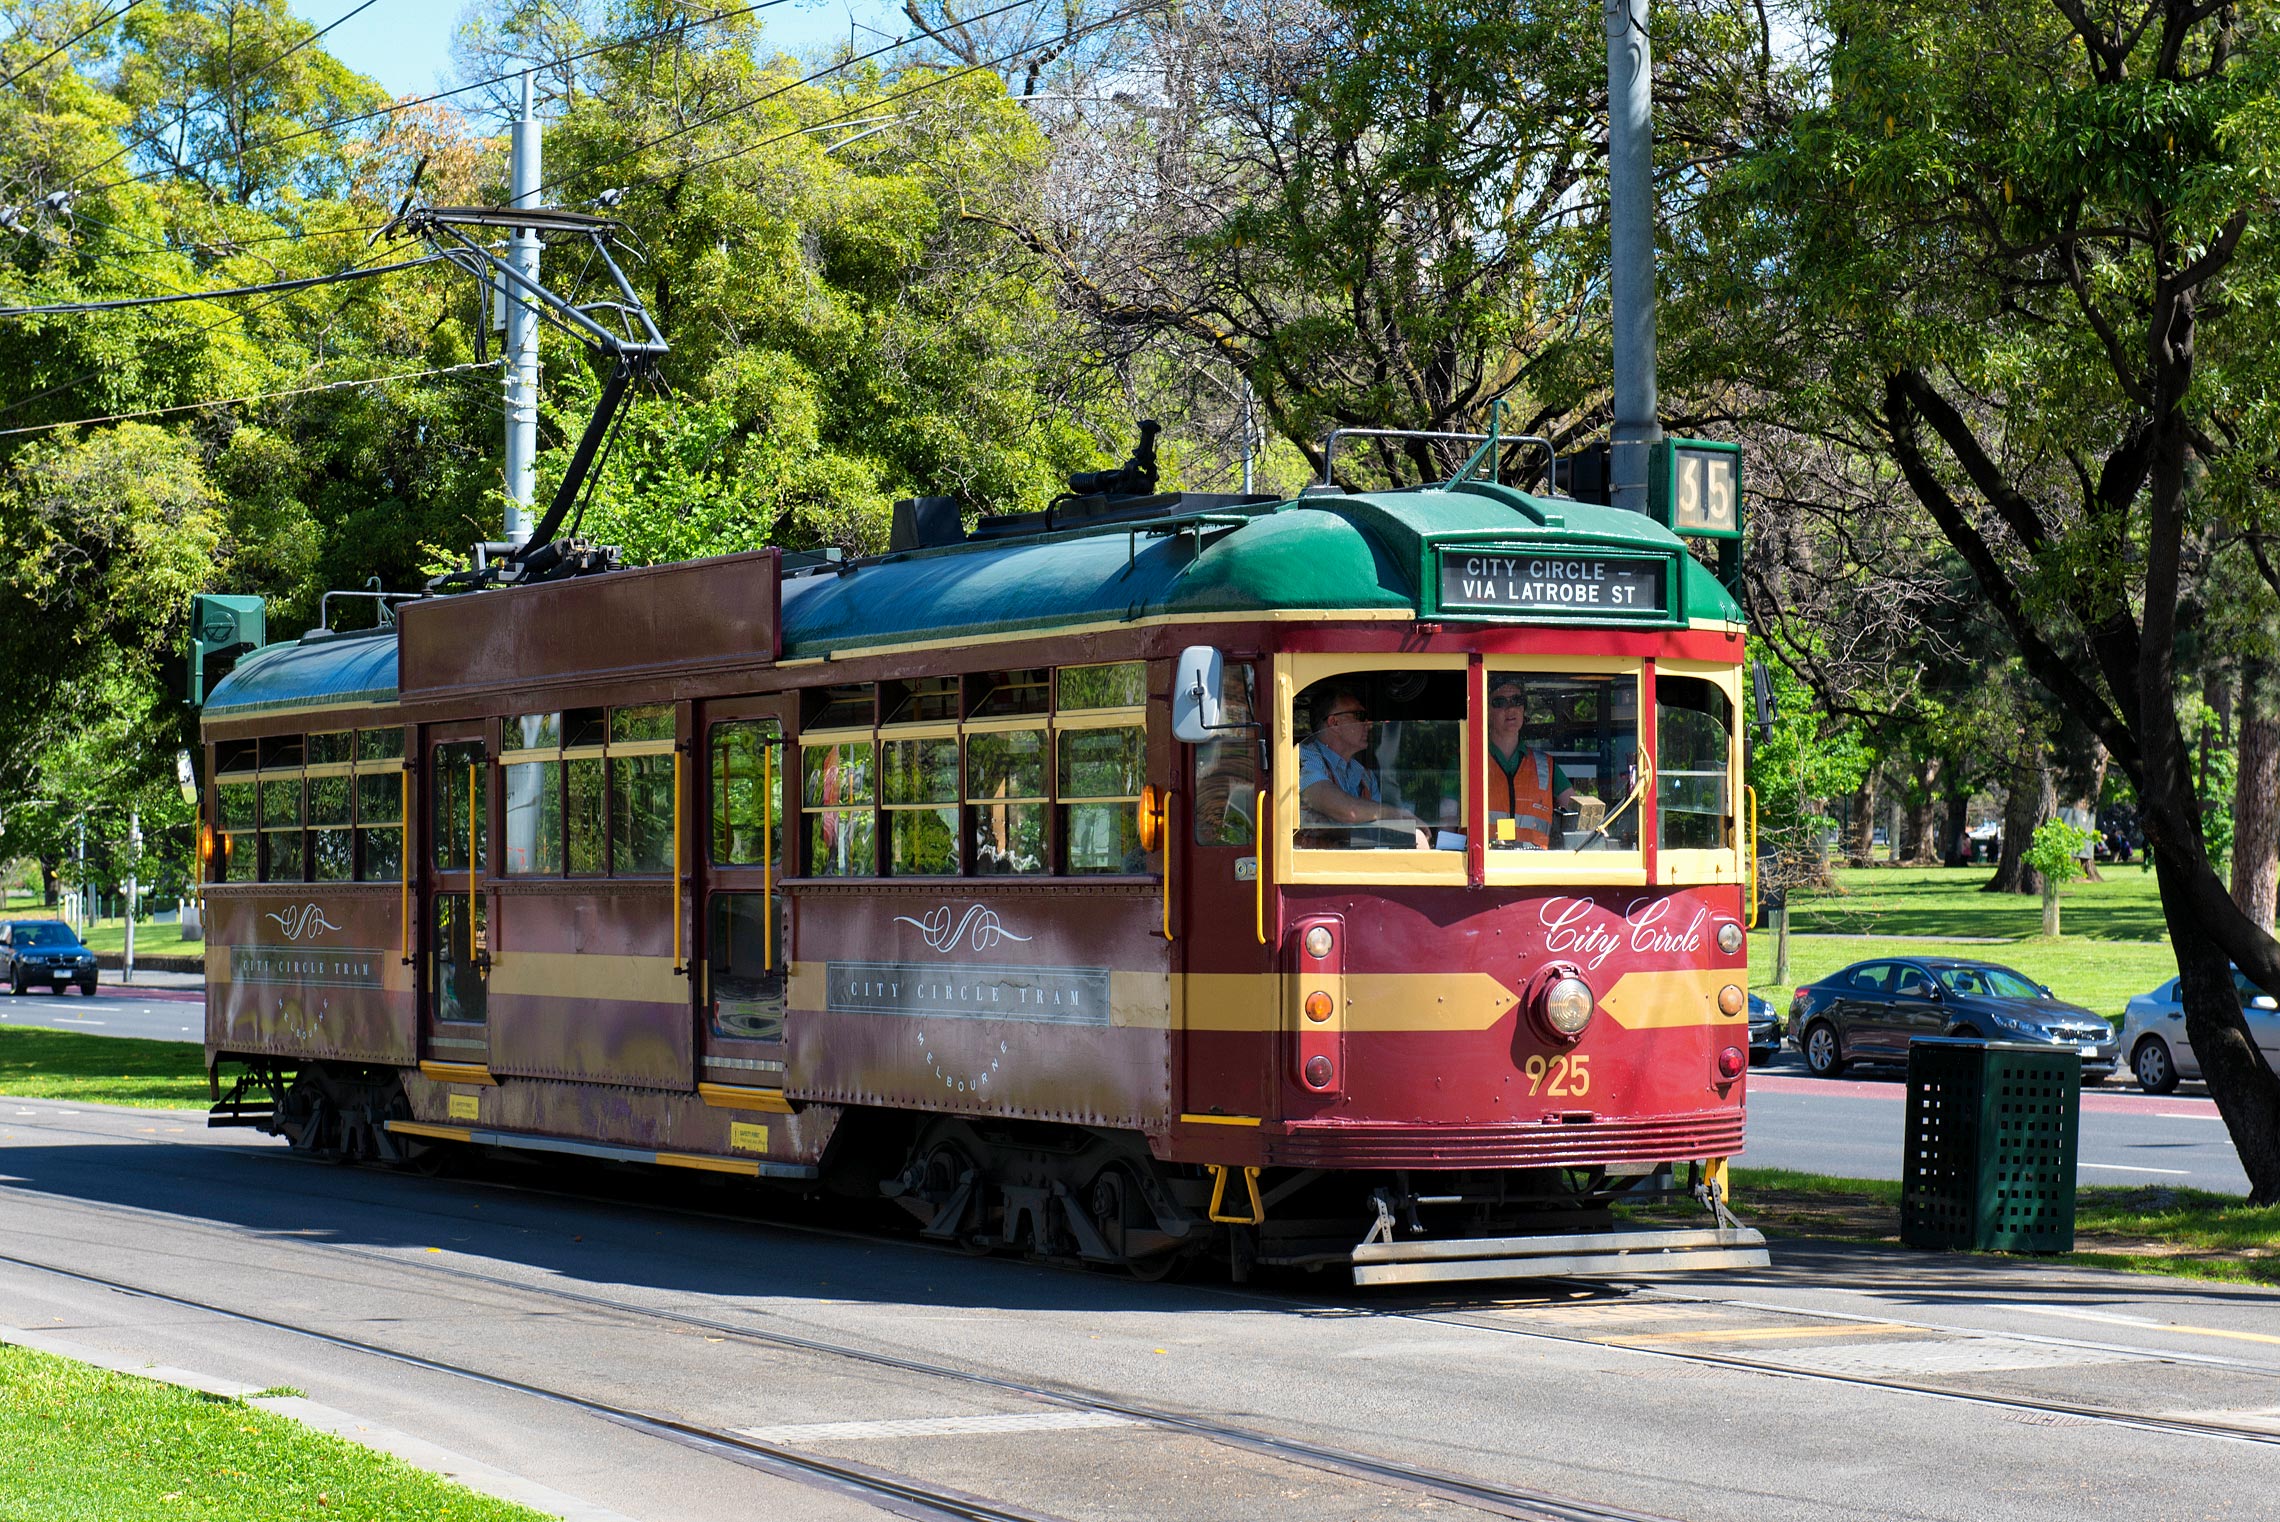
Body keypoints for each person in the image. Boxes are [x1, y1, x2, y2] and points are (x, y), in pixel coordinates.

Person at [1298, 686, 1426, 846]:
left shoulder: (1364, 775)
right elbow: (1347, 811)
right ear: (1334, 723)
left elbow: (1375, 829)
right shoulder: (1305, 757)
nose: (1369, 724)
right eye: (1360, 716)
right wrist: (1399, 815)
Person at [1485, 677, 1584, 848]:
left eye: (1517, 700)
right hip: (1485, 867)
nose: (1511, 708)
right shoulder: (1468, 763)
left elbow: (1578, 814)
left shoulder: (1546, 765)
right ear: (1486, 710)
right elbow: (1447, 822)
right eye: (1500, 702)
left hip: (1535, 869)